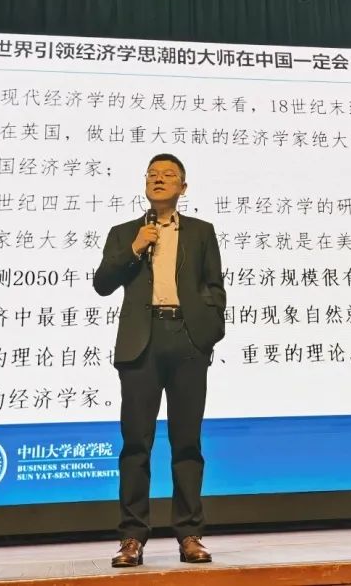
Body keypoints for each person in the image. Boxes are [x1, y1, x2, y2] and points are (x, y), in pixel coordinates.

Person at [93, 153, 226, 568]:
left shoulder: (201, 232)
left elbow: (214, 286)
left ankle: (190, 534)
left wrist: (205, 332)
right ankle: (132, 538)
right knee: (136, 443)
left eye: (168, 175)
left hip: (186, 341)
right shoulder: (124, 233)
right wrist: (135, 248)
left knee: (187, 443)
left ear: (183, 187)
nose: (159, 179)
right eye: (152, 174)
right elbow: (102, 283)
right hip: (141, 343)